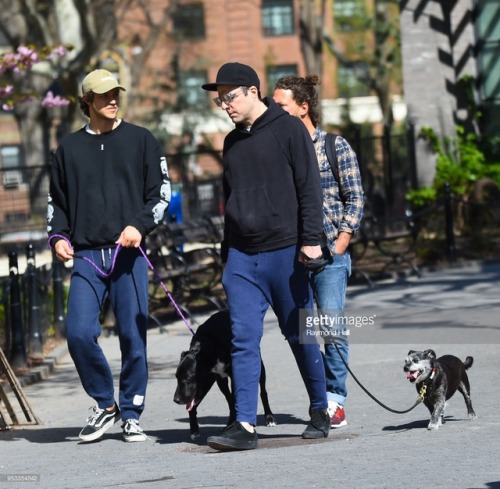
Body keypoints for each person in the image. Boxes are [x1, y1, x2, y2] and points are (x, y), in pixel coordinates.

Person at [201, 62, 330, 451]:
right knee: (243, 338)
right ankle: (244, 424)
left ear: (252, 91)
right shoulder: (231, 142)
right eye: (219, 99)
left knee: (300, 335)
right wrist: (227, 255)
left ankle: (321, 408)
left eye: (230, 96)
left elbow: (309, 188)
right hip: (242, 257)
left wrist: (311, 240)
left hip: (286, 252)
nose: (225, 105)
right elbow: (230, 199)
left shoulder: (289, 129)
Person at [47, 69, 171, 443]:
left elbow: (161, 194)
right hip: (86, 255)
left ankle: (131, 411)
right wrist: (56, 237)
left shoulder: (142, 140)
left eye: (116, 92)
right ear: (87, 101)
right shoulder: (68, 149)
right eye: (103, 95)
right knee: (79, 333)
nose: (113, 99)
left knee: (134, 337)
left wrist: (139, 226)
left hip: (128, 255)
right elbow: (57, 203)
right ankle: (105, 403)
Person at [274, 75, 364, 429]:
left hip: (329, 256)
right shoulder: (279, 151)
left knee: (332, 325)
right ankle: (318, 399)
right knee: (302, 330)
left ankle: (335, 399)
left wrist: (341, 241)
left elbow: (354, 196)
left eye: (281, 105)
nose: (274, 110)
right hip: (292, 256)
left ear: (302, 106)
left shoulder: (333, 146)